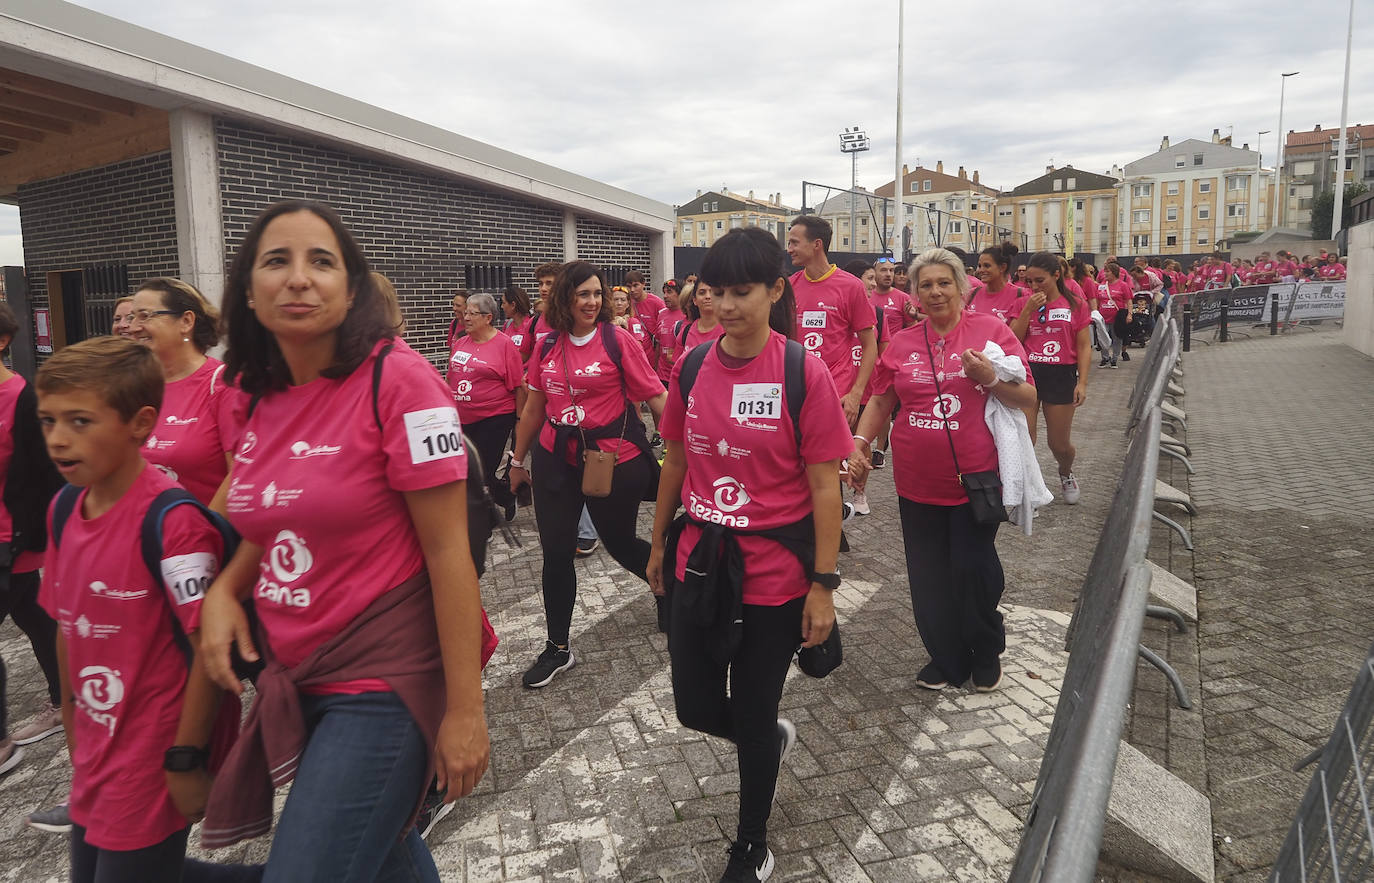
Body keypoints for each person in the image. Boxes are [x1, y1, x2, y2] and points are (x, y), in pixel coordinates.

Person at [196, 200, 489, 879]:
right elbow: (270, 523)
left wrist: (465, 711)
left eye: (321, 261)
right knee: (383, 852)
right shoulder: (250, 394)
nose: (299, 278)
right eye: (277, 260)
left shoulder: (401, 379)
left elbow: (450, 555)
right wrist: (224, 589)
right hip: (295, 667)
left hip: (384, 678)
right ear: (248, 288)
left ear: (351, 288)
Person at [649, 227, 850, 883]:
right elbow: (674, 457)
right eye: (716, 292)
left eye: (743, 292)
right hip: (699, 563)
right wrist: (656, 543)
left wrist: (823, 583)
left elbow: (826, 484)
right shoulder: (692, 365)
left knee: (755, 709)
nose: (727, 305)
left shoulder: (802, 370)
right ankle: (767, 740)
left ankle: (751, 843)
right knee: (693, 706)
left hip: (774, 575)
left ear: (775, 290)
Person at [35, 337, 229, 883]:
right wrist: (74, 726)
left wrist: (187, 758)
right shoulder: (64, 507)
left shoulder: (174, 525)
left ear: (141, 423)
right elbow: (65, 625)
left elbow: (205, 652)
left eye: (79, 421)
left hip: (153, 758)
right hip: (94, 754)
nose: (57, 439)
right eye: (48, 421)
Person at [849, 247, 1036, 692]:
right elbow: (880, 400)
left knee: (972, 570)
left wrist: (990, 377)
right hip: (916, 481)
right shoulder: (902, 343)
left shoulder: (990, 332)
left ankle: (986, 649)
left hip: (975, 477)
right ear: (913, 293)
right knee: (928, 575)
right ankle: (946, 655)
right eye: (925, 285)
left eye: (943, 282)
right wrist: (857, 443)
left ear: (962, 286)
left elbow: (1027, 396)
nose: (935, 292)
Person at [508, 260, 667, 689]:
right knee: (556, 551)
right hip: (554, 457)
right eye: (583, 294)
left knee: (618, 544)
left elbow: (656, 397)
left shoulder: (617, 341)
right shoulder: (546, 346)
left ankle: (667, 588)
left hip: (609, 458)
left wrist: (688, 453)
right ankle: (558, 647)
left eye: (597, 293)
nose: (593, 301)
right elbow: (533, 408)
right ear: (564, 298)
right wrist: (517, 461)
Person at [0, 303, 65, 777]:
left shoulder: (22, 397)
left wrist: (37, 534)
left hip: (11, 535)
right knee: (37, 618)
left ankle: (2, 743)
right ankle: (66, 699)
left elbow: (43, 474)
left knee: (36, 615)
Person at [125, 278, 236, 509]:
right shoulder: (135, 386)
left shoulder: (222, 385)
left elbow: (239, 475)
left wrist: (201, 533)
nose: (133, 327)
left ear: (186, 321)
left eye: (145, 316)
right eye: (131, 317)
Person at [1013, 252, 1092, 504]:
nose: (1034, 286)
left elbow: (1083, 346)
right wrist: (1027, 310)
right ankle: (1027, 487)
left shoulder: (1076, 305)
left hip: (1061, 374)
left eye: (1040, 280)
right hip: (1029, 373)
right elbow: (1013, 339)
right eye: (1030, 282)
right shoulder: (1024, 303)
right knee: (1025, 437)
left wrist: (1082, 382)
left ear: (1056, 276)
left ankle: (1066, 472)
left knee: (1059, 444)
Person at [785, 215, 877, 429]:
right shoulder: (790, 286)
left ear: (817, 244)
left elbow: (870, 345)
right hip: (796, 391)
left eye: (794, 243)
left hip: (834, 392)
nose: (789, 249)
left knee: (829, 461)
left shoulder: (851, 286)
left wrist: (856, 394)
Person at [449, 292, 525, 523]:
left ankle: (485, 522)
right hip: (462, 417)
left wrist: (520, 421)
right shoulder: (460, 342)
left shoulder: (504, 345)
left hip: (494, 418)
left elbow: (518, 386)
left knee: (481, 471)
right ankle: (506, 496)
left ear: (488, 317)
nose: (466, 317)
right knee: (469, 470)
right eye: (466, 312)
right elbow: (450, 377)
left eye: (472, 313)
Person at [969, 242, 1028, 323]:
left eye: (986, 266)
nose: (981, 270)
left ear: (1002, 267)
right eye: (979, 266)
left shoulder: (1021, 295)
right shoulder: (972, 294)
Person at [1097, 263, 1134, 368]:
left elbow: (1129, 301)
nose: (1105, 274)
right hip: (1103, 316)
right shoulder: (1102, 285)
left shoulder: (1123, 285)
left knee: (1117, 337)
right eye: (1105, 271)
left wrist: (1129, 314)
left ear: (1114, 273)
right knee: (1103, 338)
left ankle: (1114, 358)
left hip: (1117, 317)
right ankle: (1105, 357)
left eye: (1108, 271)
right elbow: (1098, 299)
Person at [625, 270, 665, 366]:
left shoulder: (656, 302)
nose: (632, 290)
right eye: (629, 286)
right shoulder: (626, 303)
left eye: (635, 285)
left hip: (652, 356)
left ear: (644, 284)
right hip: (633, 356)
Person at [655, 279, 687, 386]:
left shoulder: (687, 316)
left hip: (680, 376)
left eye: (669, 292)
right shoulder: (661, 315)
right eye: (664, 292)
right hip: (662, 376)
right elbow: (658, 345)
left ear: (680, 294)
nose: (665, 296)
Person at [678, 279, 726, 350]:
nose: (708, 296)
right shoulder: (685, 332)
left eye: (712, 292)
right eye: (702, 293)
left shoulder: (730, 331)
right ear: (694, 300)